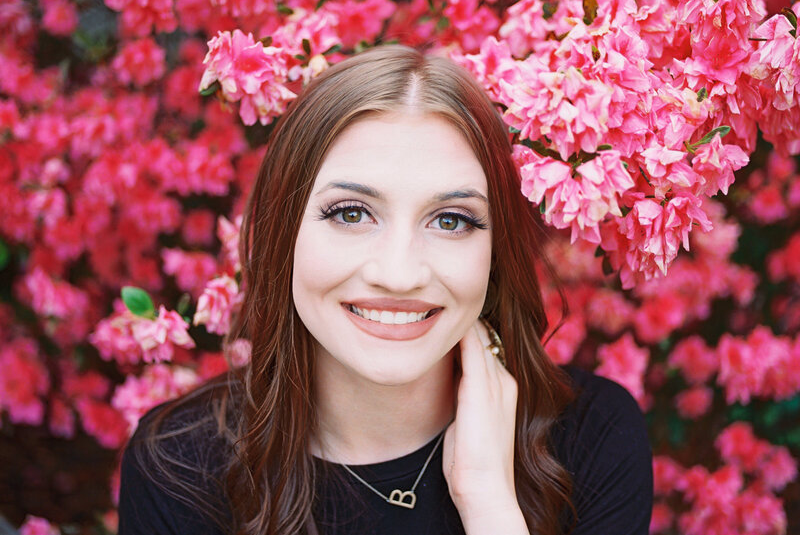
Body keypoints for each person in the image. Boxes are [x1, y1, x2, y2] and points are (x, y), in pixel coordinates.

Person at [118, 45, 653, 535]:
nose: (399, 274)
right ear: (285, 234)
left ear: (495, 254)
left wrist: (488, 503)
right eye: (351, 213)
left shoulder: (592, 439)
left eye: (450, 220)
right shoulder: (181, 467)